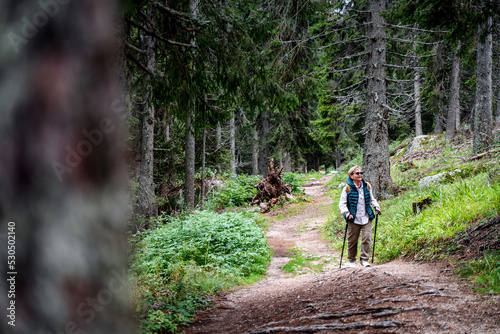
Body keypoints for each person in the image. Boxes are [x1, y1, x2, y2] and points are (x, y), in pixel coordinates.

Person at [339, 165, 381, 267]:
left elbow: (372, 199)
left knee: (367, 238)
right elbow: (342, 203)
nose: (360, 175)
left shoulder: (367, 185)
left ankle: (364, 260)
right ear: (351, 175)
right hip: (353, 218)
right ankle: (352, 260)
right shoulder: (347, 188)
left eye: (361, 173)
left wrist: (376, 206)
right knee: (352, 241)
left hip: (366, 216)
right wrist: (346, 213)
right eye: (357, 173)